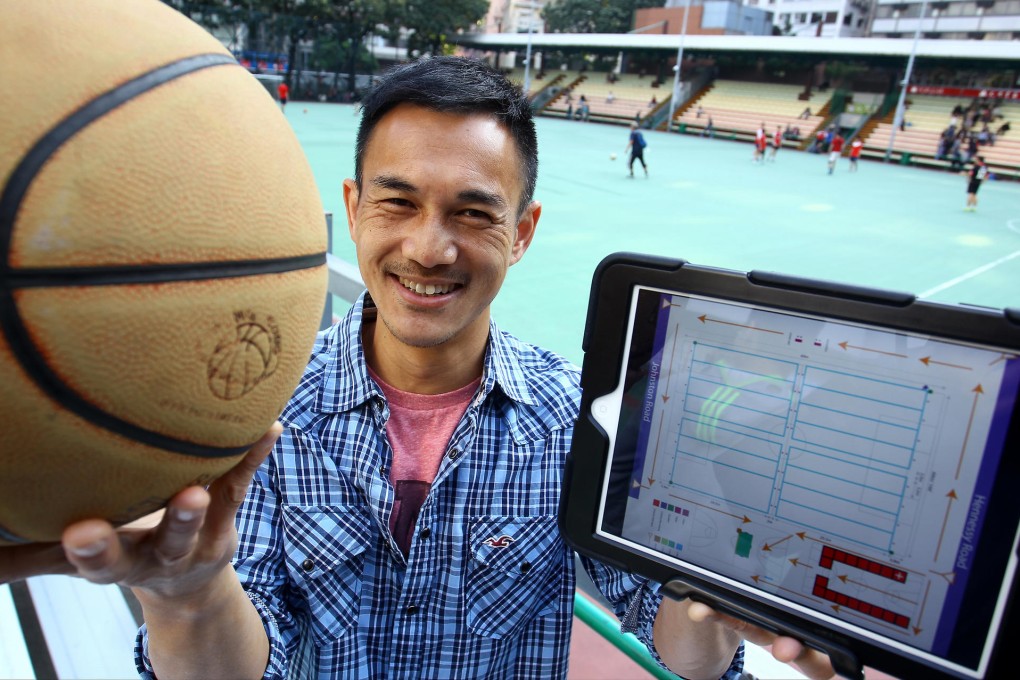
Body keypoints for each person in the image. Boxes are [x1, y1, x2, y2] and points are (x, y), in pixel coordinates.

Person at [1, 57, 835, 680]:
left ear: (524, 230)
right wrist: (187, 595)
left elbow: (672, 638)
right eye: (397, 202)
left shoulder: (577, 419)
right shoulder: (255, 411)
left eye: (474, 213)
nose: (429, 249)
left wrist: (714, 596)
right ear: (354, 206)